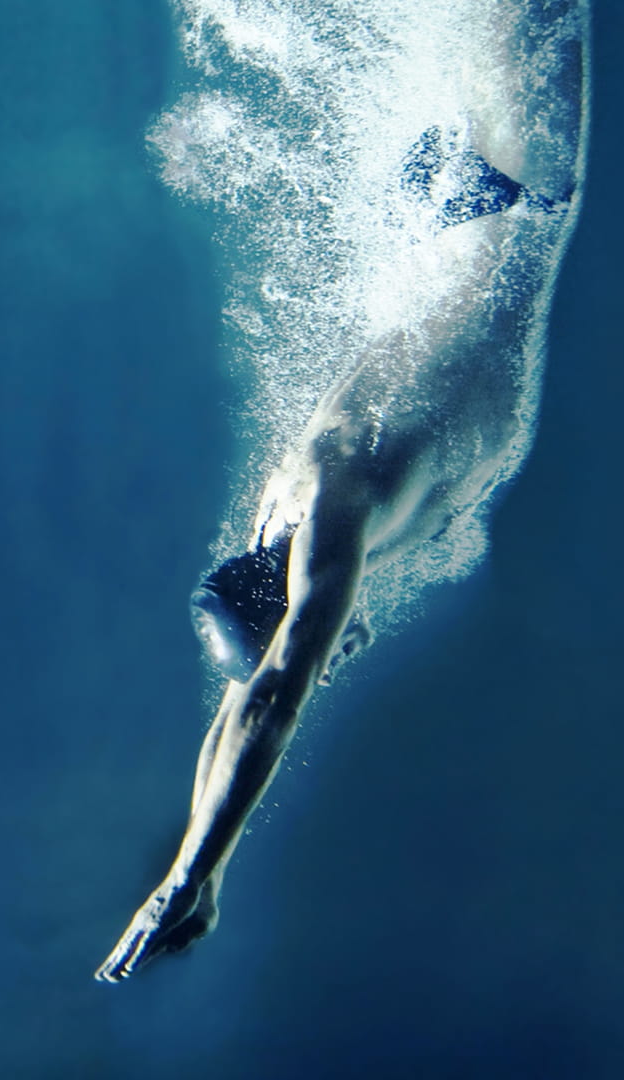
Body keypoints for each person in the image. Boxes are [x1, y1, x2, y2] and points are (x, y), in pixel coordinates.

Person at [95, 2, 587, 983]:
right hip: (456, 220)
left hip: (508, 201)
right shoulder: (273, 515)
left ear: (294, 611)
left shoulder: (327, 510)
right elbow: (243, 701)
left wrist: (190, 875)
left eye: (310, 642)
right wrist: (205, 856)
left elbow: (270, 696)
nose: (324, 655)